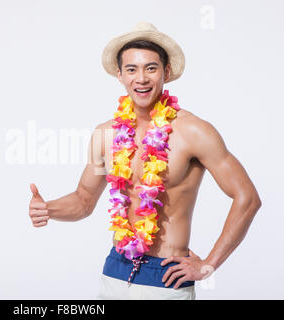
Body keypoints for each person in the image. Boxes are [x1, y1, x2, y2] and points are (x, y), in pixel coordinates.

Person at [28, 22, 261, 300]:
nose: (141, 78)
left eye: (151, 68)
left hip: (167, 276)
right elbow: (84, 199)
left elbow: (247, 198)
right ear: (120, 75)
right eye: (132, 69)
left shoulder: (195, 132)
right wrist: (48, 208)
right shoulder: (104, 134)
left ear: (167, 72)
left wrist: (208, 265)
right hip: (115, 269)